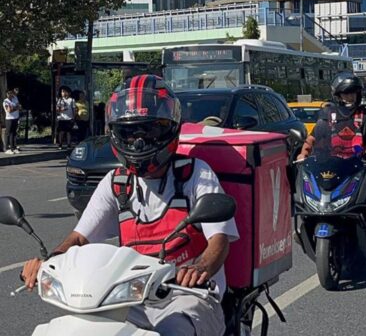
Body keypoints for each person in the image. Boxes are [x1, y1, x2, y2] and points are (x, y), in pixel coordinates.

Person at [21, 75, 238, 336]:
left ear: (170, 129)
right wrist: (51, 262)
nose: (138, 142)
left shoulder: (195, 175)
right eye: (128, 132)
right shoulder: (117, 183)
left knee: (173, 329)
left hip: (189, 296)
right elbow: (80, 238)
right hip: (129, 297)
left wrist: (199, 268)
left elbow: (219, 241)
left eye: (149, 131)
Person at [297, 72, 366, 165]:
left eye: (353, 93)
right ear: (338, 95)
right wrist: (303, 154)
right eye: (346, 93)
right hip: (329, 165)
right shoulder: (327, 114)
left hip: (360, 167)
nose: (350, 97)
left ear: (358, 94)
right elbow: (312, 138)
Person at [3, 89, 20, 154]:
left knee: (13, 133)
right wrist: (16, 108)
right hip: (9, 119)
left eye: (11, 93)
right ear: (7, 94)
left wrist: (14, 108)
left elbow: (19, 106)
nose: (10, 94)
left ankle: (13, 148)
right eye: (8, 93)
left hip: (15, 118)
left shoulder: (14, 99)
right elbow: (9, 110)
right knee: (8, 133)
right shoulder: (6, 101)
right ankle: (6, 149)